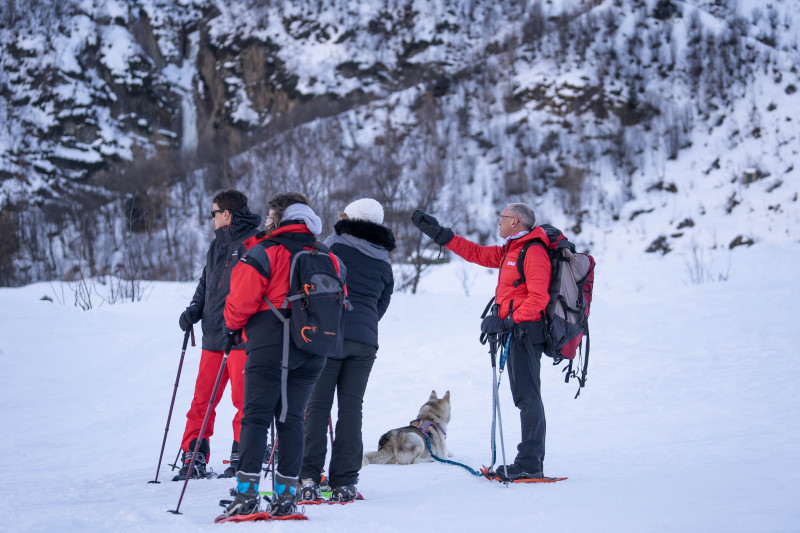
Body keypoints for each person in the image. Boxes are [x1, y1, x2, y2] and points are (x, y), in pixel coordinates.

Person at [220, 192, 343, 517]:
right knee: (291, 419)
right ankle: (286, 496)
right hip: (314, 348)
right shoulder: (325, 255)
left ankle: (246, 494)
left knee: (256, 417)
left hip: (271, 345)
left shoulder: (268, 250)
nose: (268, 219)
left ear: (281, 216)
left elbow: (239, 303)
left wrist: (231, 327)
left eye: (272, 214)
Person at [411, 203, 551, 480]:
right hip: (515, 333)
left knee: (528, 397)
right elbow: (474, 253)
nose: (498, 222)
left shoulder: (533, 251)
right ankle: (528, 460)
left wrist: (509, 321)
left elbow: (539, 298)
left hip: (526, 333)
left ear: (516, 222)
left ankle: (531, 462)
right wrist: (440, 234)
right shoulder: (511, 250)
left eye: (503, 218)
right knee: (523, 397)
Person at [299, 198, 395, 502]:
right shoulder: (384, 260)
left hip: (329, 336)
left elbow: (313, 287)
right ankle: (345, 482)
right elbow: (381, 305)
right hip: (365, 341)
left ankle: (307, 477)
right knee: (352, 408)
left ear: (349, 218)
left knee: (317, 406)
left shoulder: (333, 246)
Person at [175, 190, 262, 480]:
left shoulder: (254, 243)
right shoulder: (217, 246)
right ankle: (194, 454)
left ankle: (243, 455)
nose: (211, 218)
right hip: (212, 336)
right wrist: (194, 309)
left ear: (227, 214)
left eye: (214, 212)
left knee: (243, 400)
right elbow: (206, 281)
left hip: (240, 338)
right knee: (203, 400)